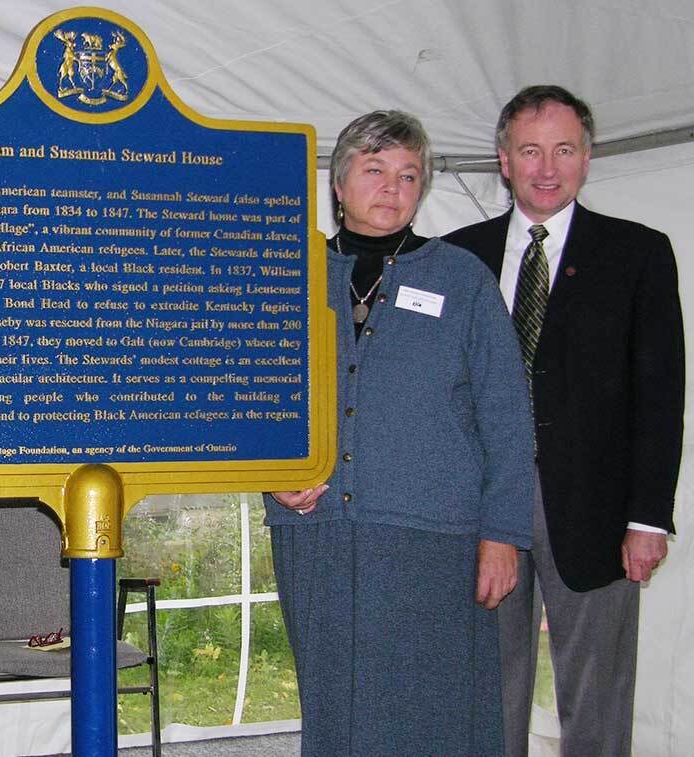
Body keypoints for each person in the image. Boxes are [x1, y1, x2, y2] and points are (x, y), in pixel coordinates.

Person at [268, 110, 534, 755]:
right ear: (338, 182)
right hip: (317, 531)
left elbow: (506, 413)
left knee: (436, 709)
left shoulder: (461, 278)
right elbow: (252, 399)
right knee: (334, 703)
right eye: (375, 169)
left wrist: (503, 534)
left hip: (433, 536)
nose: (392, 186)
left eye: (408, 174)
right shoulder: (285, 272)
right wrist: (275, 480)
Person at [444, 86, 683, 757]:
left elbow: (661, 394)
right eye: (530, 150)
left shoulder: (638, 254)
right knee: (489, 690)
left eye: (564, 149)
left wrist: (647, 518)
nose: (547, 167)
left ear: (587, 157)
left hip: (600, 515)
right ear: (504, 160)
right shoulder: (455, 256)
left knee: (598, 699)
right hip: (481, 508)